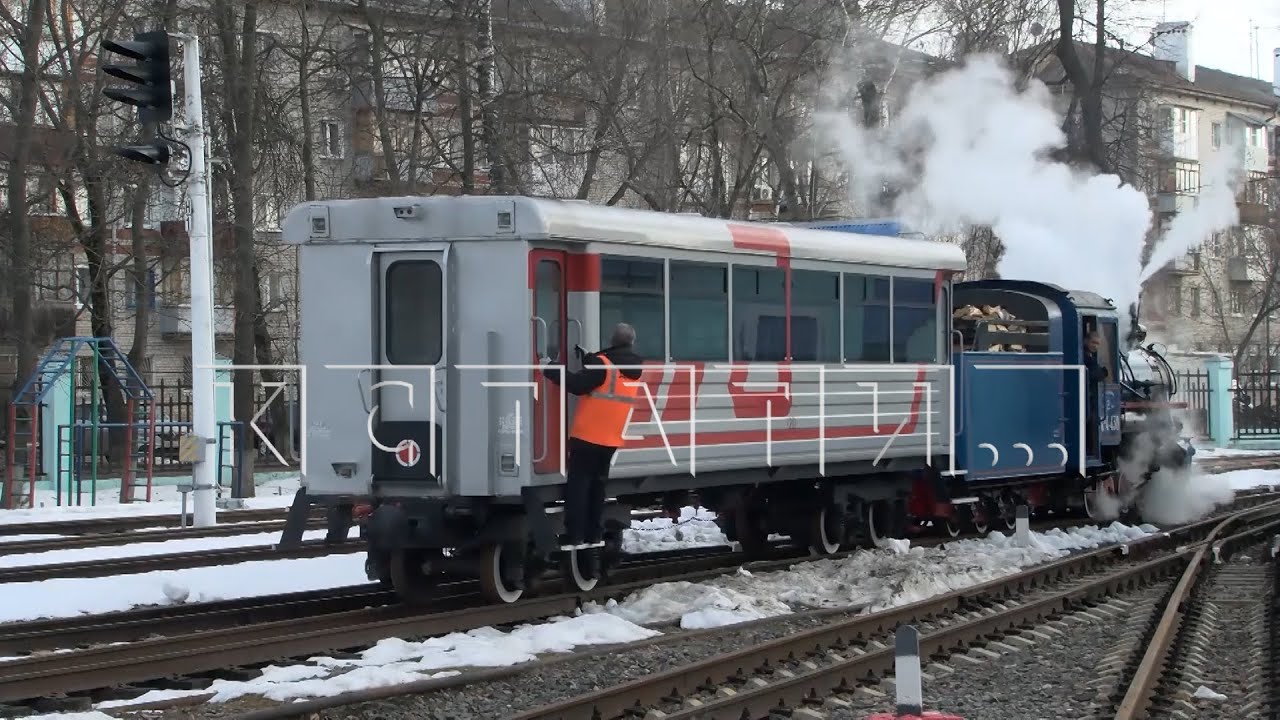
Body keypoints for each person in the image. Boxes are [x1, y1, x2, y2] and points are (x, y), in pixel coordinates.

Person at [542, 322, 645, 573]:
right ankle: (592, 534)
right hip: (611, 440)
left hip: (587, 437)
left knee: (578, 487)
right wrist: (591, 357)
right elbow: (607, 378)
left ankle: (575, 535)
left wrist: (550, 368)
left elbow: (578, 385)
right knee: (597, 489)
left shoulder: (603, 366)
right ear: (631, 343)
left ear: (613, 339)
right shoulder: (634, 369)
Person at [1083, 330, 1110, 454]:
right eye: (1093, 342)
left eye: (1098, 344)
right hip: (1085, 399)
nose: (1095, 346)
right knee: (1091, 421)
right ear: (1086, 340)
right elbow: (1089, 374)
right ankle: (1090, 450)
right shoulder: (1083, 355)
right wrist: (1102, 373)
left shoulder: (1090, 355)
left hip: (1089, 398)